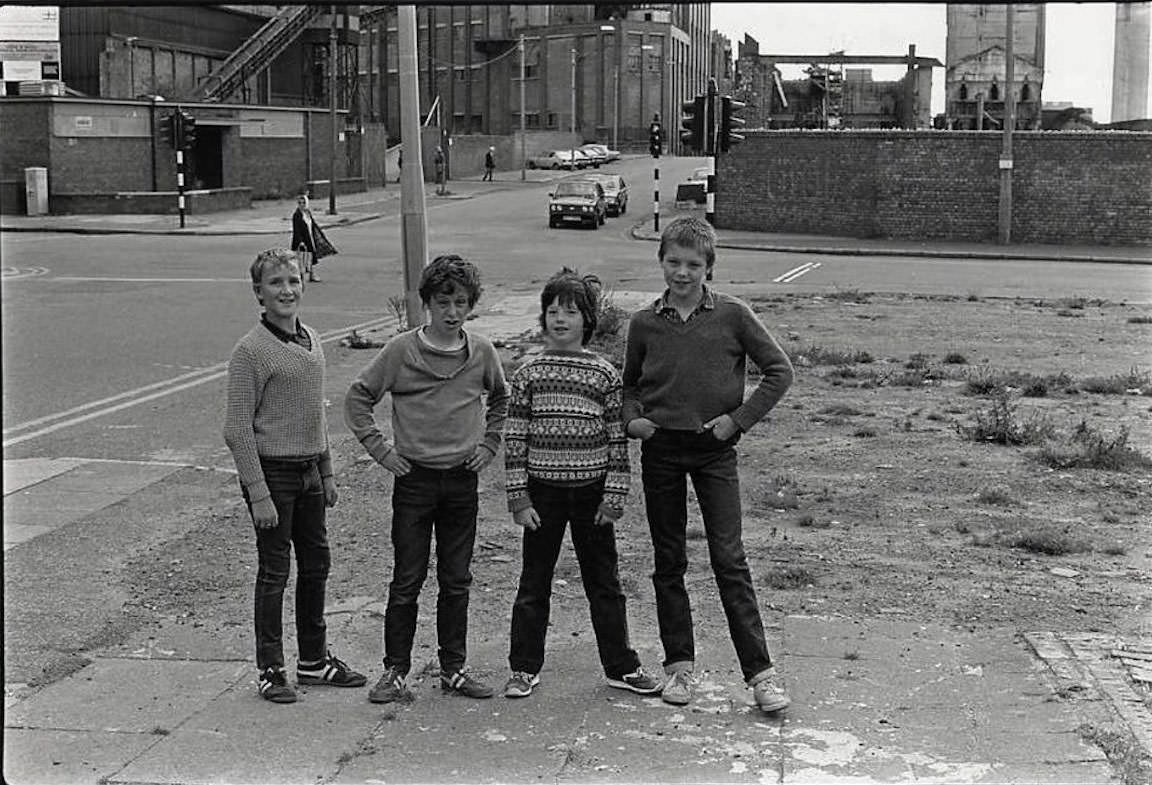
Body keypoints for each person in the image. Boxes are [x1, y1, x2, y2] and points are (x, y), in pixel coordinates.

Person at [621, 215, 795, 714]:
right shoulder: (644, 322)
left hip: (714, 449)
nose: (682, 273)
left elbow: (779, 371)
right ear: (660, 262)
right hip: (662, 452)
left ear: (709, 267)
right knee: (669, 560)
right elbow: (630, 384)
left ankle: (761, 675)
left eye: (693, 264)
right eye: (673, 262)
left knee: (728, 558)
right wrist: (634, 421)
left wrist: (736, 421)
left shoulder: (733, 315)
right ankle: (679, 668)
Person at [344, 254, 509, 704]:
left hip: (461, 481)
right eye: (442, 302)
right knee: (407, 578)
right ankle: (395, 670)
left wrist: (489, 445)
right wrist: (382, 452)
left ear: (470, 305)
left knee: (457, 579)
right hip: (414, 481)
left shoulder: (481, 353)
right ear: (426, 304)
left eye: (460, 302)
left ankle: (453, 668)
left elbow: (501, 400)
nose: (451, 312)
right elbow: (358, 398)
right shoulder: (401, 351)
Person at [502, 269, 661, 700]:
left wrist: (615, 496)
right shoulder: (528, 373)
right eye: (552, 311)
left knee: (604, 582)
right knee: (533, 582)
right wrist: (519, 497)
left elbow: (616, 439)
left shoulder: (605, 375)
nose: (560, 320)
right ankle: (523, 667)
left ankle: (620, 665)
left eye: (570, 312)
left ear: (586, 321)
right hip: (542, 495)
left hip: (592, 496)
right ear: (543, 318)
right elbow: (514, 437)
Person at [223, 248, 367, 704]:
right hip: (273, 475)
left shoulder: (313, 339)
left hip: (308, 473)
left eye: (293, 281)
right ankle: (270, 669)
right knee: (274, 572)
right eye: (275, 283)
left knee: (317, 566)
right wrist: (258, 493)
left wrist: (326, 472)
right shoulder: (251, 352)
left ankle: (313, 660)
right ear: (259, 294)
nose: (286, 290)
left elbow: (315, 414)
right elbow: (237, 428)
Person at [291, 193, 338, 283]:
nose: (301, 205)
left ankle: (312, 275)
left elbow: (312, 224)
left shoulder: (307, 213)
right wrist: (300, 241)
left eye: (303, 203)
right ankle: (299, 276)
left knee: (311, 256)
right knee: (301, 258)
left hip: (310, 238)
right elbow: (296, 229)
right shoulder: (296, 215)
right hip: (301, 240)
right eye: (299, 203)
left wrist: (318, 235)